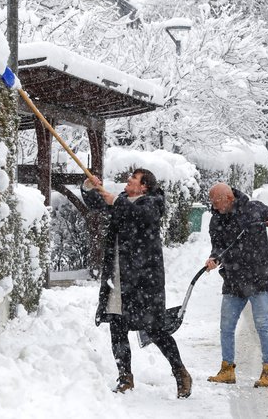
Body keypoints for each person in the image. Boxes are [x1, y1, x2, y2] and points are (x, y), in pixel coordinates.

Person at [81, 169, 192, 399]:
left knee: (155, 329)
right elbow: (97, 204)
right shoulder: (123, 201)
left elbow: (140, 215)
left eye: (134, 178)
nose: (128, 180)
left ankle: (180, 372)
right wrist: (88, 187)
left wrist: (116, 203)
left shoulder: (153, 203)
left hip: (144, 281)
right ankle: (125, 377)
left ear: (144, 187)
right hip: (119, 277)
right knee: (117, 326)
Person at [204, 183, 268, 388]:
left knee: (262, 323)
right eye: (212, 204)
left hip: (258, 277)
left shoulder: (255, 209)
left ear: (228, 198)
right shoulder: (216, 220)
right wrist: (214, 259)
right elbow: (217, 246)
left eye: (216, 203)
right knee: (226, 326)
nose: (214, 208)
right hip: (233, 279)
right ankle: (227, 370)